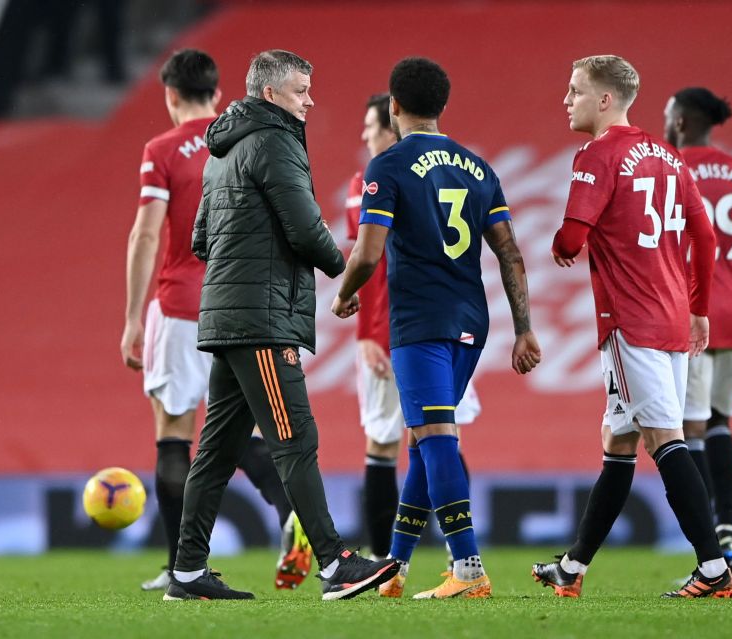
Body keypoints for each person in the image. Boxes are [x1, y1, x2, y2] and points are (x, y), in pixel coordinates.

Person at [164, 49, 399, 601]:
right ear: (270, 95)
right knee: (295, 437)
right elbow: (303, 227)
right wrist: (350, 276)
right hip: (262, 318)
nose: (310, 100)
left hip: (227, 312)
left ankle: (188, 572)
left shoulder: (222, 148)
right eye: (300, 90)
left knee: (217, 450)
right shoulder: (275, 141)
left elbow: (201, 238)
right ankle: (335, 563)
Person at [332, 57, 541, 599]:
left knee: (435, 437)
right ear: (442, 106)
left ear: (394, 107)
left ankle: (469, 569)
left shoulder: (388, 165)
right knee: (425, 443)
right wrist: (525, 329)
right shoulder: (479, 168)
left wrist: (344, 292)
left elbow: (368, 251)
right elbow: (511, 254)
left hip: (419, 320)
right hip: (472, 318)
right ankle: (395, 569)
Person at [531, 55, 732, 600]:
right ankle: (573, 568)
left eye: (574, 90)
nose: (566, 100)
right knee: (618, 441)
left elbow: (572, 237)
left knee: (665, 440)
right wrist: (698, 308)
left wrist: (558, 245)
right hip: (671, 316)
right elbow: (707, 237)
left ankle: (714, 570)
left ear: (604, 100)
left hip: (631, 319)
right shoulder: (669, 156)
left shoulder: (597, 155)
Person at [119, 48, 302, 593]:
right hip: (241, 305)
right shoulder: (249, 142)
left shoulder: (163, 150)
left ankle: (181, 567)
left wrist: (132, 319)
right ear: (219, 94)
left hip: (178, 307)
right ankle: (292, 515)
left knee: (175, 433)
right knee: (238, 430)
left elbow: (147, 234)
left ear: (171, 95)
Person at [345, 93, 482, 562]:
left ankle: (439, 559)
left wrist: (367, 330)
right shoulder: (458, 168)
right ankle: (406, 561)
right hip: (457, 320)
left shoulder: (376, 178)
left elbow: (370, 263)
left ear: (393, 121)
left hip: (405, 329)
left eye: (370, 126)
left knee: (399, 441)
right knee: (437, 434)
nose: (364, 136)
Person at [663, 86, 732, 583]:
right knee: (721, 420)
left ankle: (709, 557)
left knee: (690, 428)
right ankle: (728, 533)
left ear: (680, 122)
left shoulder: (669, 169)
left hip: (692, 314)